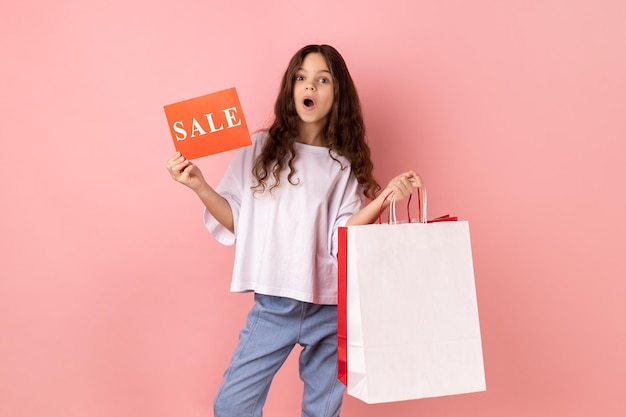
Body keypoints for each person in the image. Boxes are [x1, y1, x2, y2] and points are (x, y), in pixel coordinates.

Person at [166, 44, 422, 417]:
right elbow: (238, 222)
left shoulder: (341, 166)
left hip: (330, 308)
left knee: (323, 411)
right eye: (301, 78)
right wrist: (199, 185)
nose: (310, 87)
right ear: (291, 88)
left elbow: (344, 234)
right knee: (231, 405)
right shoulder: (258, 148)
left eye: (322, 80)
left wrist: (383, 200)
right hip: (274, 305)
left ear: (338, 94)